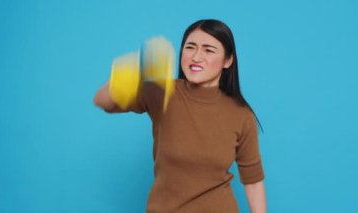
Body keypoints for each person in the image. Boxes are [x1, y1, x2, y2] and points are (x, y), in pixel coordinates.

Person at [94, 19, 267, 213]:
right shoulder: (161, 92)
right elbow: (103, 101)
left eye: (208, 50)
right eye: (190, 47)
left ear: (228, 60)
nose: (196, 56)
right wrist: (138, 67)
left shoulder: (241, 115)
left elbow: (253, 181)